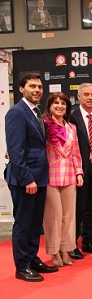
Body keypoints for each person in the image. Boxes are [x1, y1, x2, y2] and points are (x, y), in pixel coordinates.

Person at [5, 73, 58, 282]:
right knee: (24, 223)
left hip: (40, 178)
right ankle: (22, 266)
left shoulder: (36, 113)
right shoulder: (17, 113)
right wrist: (27, 179)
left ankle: (32, 258)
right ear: (21, 89)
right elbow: (16, 151)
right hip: (25, 180)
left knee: (36, 224)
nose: (37, 90)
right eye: (32, 86)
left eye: (39, 87)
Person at [42, 93, 83, 267]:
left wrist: (79, 172)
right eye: (56, 103)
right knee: (54, 216)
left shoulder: (71, 127)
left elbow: (76, 152)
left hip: (69, 174)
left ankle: (66, 249)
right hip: (50, 174)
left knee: (69, 216)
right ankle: (54, 251)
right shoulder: (43, 125)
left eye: (63, 104)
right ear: (49, 107)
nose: (59, 106)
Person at [68, 83, 92, 259]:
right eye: (86, 95)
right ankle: (71, 245)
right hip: (79, 169)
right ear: (78, 97)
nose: (90, 97)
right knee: (79, 208)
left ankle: (88, 241)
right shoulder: (71, 117)